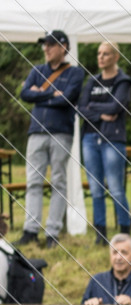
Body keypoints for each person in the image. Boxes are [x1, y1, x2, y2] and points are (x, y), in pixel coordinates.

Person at [18, 30, 85, 249]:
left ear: (64, 47)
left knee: (58, 182)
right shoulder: (37, 70)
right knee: (33, 182)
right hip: (36, 132)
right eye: (44, 44)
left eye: (51, 44)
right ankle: (30, 230)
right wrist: (51, 94)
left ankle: (52, 233)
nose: (46, 48)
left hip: (60, 133)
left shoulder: (75, 73)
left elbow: (67, 99)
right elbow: (25, 94)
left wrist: (41, 94)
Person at [78, 41, 131, 245]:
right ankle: (100, 235)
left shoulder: (123, 81)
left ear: (116, 57)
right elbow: (80, 108)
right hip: (90, 139)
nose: (101, 57)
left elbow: (117, 106)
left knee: (116, 188)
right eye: (99, 53)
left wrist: (94, 108)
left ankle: (124, 232)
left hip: (113, 139)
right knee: (95, 189)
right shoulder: (92, 81)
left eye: (106, 54)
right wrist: (101, 112)